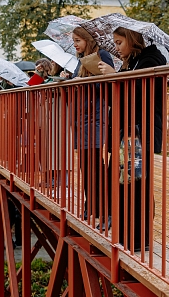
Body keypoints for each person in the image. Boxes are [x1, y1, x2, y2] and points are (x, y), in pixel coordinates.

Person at [98, 26, 166, 251]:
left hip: (137, 132)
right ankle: (131, 235)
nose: (116, 48)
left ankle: (138, 239)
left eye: (119, 43)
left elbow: (137, 94)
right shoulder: (134, 62)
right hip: (130, 131)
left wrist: (115, 76)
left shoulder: (150, 61)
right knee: (130, 182)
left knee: (136, 183)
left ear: (132, 39)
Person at [70, 26, 114, 224]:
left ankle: (106, 209)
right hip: (81, 117)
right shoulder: (79, 61)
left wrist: (85, 81)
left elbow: (108, 84)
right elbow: (74, 81)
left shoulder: (101, 54)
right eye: (74, 40)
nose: (75, 43)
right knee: (86, 164)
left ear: (88, 39)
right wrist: (68, 79)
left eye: (78, 40)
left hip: (96, 115)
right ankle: (91, 205)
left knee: (96, 163)